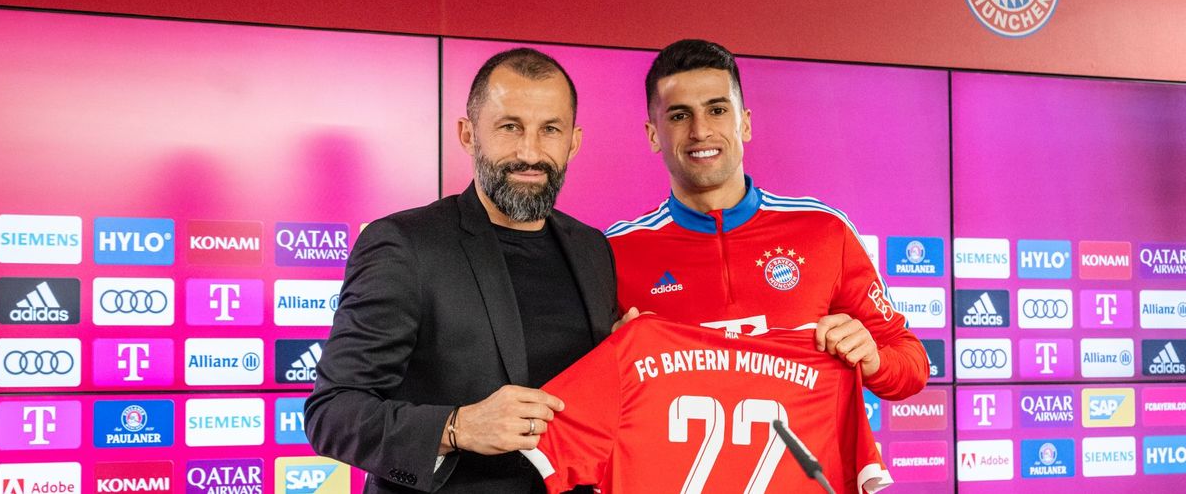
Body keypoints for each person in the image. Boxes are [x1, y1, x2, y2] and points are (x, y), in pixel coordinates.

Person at [306, 48, 619, 493]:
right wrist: (457, 427)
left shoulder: (592, 248)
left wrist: (625, 351)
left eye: (550, 129)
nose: (530, 152)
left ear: (573, 141)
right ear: (468, 135)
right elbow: (332, 415)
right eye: (510, 127)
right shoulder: (404, 244)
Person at [606, 39, 928, 400]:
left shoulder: (823, 230)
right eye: (679, 116)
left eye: (717, 110)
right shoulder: (612, 251)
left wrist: (874, 360)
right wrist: (608, 363)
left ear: (744, 124)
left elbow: (912, 363)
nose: (700, 131)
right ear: (653, 135)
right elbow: (582, 389)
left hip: (802, 442)